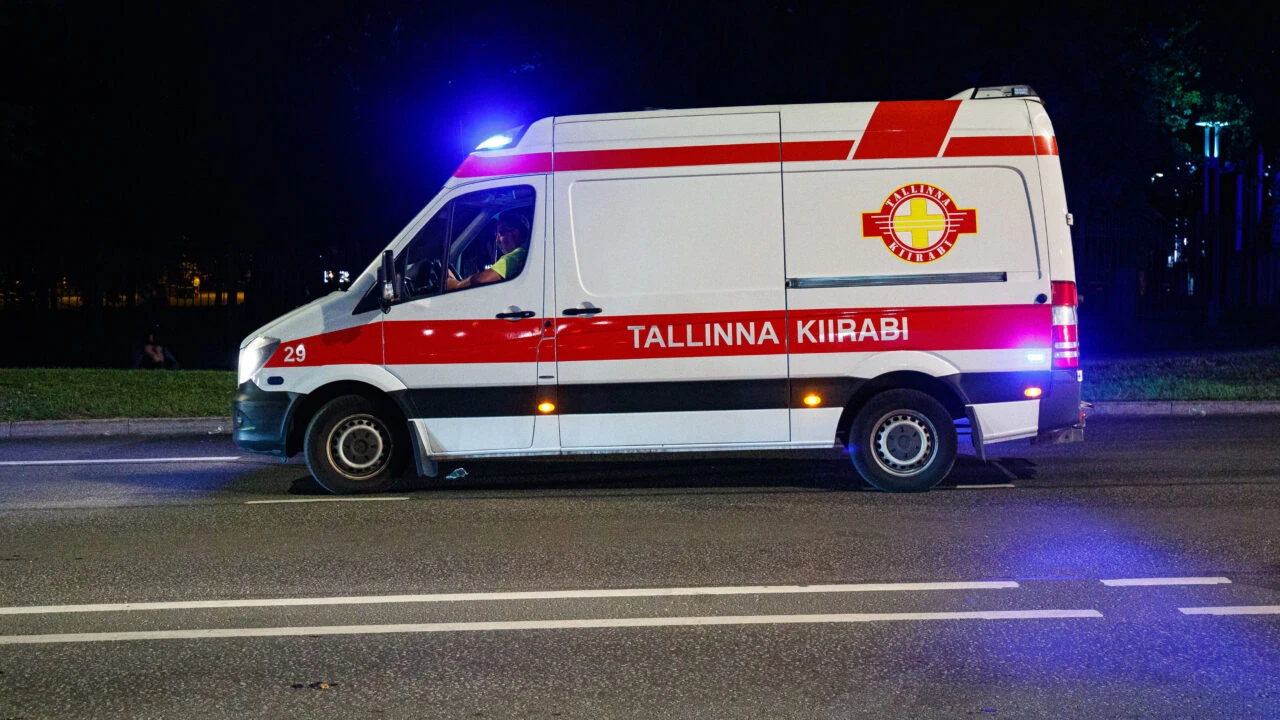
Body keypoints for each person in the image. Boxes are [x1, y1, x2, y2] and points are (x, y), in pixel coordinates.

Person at [445, 213, 529, 290]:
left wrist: (456, 285)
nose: (497, 241)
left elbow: (481, 280)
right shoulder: (527, 253)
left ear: (515, 234)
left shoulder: (515, 257)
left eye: (501, 233)